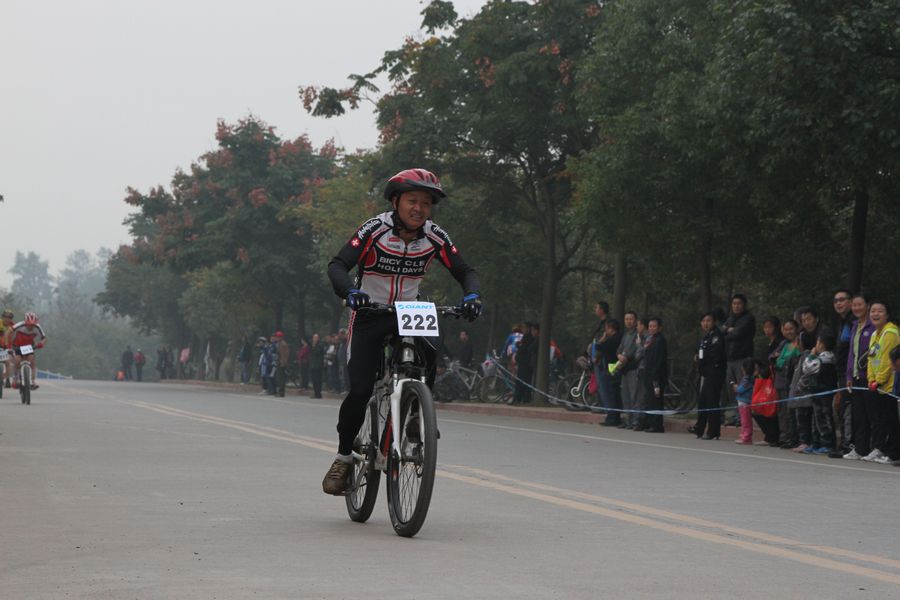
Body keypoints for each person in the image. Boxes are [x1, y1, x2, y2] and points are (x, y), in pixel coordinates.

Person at [321, 168, 482, 495]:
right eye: (412, 201)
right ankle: (343, 457)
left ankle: (416, 414)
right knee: (360, 389)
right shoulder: (374, 229)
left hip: (410, 310)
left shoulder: (435, 236)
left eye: (426, 203)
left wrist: (472, 295)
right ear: (396, 201)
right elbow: (338, 264)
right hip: (370, 311)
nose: (419, 208)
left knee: (432, 346)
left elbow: (464, 270)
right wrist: (350, 292)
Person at [862, 301, 900, 464]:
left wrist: (879, 381)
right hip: (877, 386)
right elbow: (871, 359)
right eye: (873, 311)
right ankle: (881, 449)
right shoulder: (874, 334)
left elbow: (887, 360)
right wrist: (871, 379)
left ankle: (893, 453)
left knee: (892, 420)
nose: (875, 314)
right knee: (880, 420)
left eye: (880, 311)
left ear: (887, 315)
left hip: (890, 386)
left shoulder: (890, 332)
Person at [843, 294, 876, 460]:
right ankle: (860, 449)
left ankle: (876, 448)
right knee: (859, 415)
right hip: (855, 377)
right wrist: (849, 375)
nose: (857, 308)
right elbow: (852, 353)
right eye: (854, 305)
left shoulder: (873, 325)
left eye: (860, 304)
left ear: (867, 305)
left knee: (872, 414)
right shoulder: (855, 325)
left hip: (870, 377)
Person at [690, 312, 726, 440]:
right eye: (703, 321)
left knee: (712, 401)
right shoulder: (706, 337)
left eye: (709, 321)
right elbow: (702, 352)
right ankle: (699, 427)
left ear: (714, 322)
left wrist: (702, 358)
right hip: (705, 373)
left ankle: (713, 430)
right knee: (702, 401)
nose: (706, 323)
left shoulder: (716, 336)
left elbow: (714, 354)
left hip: (714, 373)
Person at [723, 294, 756, 426]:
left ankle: (744, 418)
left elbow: (738, 334)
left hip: (743, 358)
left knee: (743, 388)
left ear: (744, 305)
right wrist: (729, 330)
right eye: (734, 303)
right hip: (729, 358)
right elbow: (722, 331)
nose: (736, 306)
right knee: (731, 388)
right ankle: (736, 416)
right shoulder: (730, 318)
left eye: (739, 303)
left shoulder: (748, 318)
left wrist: (730, 331)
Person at [831, 289, 855, 455]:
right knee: (841, 407)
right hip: (841, 371)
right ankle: (845, 442)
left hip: (850, 372)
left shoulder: (853, 321)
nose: (838, 303)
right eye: (836, 301)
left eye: (842, 300)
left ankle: (848, 444)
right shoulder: (842, 321)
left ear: (850, 301)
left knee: (847, 408)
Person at [773, 319, 802, 447]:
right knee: (782, 411)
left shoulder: (799, 343)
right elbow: (777, 360)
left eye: (791, 329)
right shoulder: (785, 344)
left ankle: (793, 437)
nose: (789, 332)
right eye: (786, 329)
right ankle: (784, 436)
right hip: (781, 380)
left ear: (796, 329)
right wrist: (781, 360)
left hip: (792, 380)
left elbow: (794, 359)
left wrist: (782, 361)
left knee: (791, 411)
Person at [639, 317, 668, 433]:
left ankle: (657, 425)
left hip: (656, 375)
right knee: (650, 399)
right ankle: (650, 422)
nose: (652, 328)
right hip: (648, 373)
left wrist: (655, 376)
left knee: (656, 400)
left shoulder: (660, 340)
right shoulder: (650, 340)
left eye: (654, 326)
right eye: (650, 326)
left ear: (659, 328)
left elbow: (659, 360)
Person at [614, 311, 642, 429]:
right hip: (624, 369)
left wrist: (627, 357)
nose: (628, 321)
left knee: (634, 395)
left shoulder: (638, 334)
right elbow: (619, 349)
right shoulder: (625, 335)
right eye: (626, 319)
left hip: (633, 368)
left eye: (631, 319)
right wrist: (619, 355)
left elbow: (637, 351)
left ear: (636, 321)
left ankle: (636, 421)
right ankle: (628, 420)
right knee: (625, 396)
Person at [595, 318, 623, 427]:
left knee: (610, 394)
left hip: (611, 368)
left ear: (611, 328)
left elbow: (598, 347)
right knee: (614, 394)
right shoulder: (620, 337)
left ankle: (612, 417)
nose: (605, 331)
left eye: (606, 329)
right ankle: (614, 417)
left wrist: (602, 339)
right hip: (616, 368)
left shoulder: (612, 340)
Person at [10, 312, 47, 390]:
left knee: (31, 362)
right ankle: (15, 378)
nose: (31, 327)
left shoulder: (37, 327)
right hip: (17, 346)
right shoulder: (19, 325)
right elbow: (8, 332)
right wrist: (8, 344)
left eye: (33, 325)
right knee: (17, 361)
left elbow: (44, 338)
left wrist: (41, 343)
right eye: (29, 325)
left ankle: (32, 381)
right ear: (25, 322)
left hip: (29, 347)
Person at [733, 358, 757, 444]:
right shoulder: (750, 378)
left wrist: (736, 387)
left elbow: (741, 389)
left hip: (745, 402)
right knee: (744, 420)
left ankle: (746, 437)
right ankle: (744, 435)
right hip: (743, 402)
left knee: (746, 421)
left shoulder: (747, 379)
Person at [513, 322, 537, 405]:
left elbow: (525, 349)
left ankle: (524, 398)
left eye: (524, 327)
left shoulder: (530, 338)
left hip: (526, 363)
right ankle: (518, 398)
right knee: (520, 381)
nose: (522, 329)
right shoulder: (524, 337)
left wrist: (520, 346)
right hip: (522, 362)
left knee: (524, 381)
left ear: (528, 328)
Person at [0, 310, 15, 387]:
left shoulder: (13, 325)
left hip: (7, 347)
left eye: (9, 318)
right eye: (5, 317)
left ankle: (8, 379)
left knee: (8, 361)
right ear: (2, 317)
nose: (7, 319)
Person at [309, 333, 325, 399]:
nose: (314, 339)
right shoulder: (313, 345)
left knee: (318, 380)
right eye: (313, 338)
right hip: (313, 365)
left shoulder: (320, 344)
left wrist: (314, 345)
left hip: (318, 365)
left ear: (318, 338)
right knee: (314, 380)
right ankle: (315, 393)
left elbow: (317, 352)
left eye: (316, 338)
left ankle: (318, 393)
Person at [275, 331, 290, 397]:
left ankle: (281, 392)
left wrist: (283, 363)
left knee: (281, 378)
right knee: (279, 377)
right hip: (280, 361)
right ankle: (280, 391)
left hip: (281, 362)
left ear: (280, 337)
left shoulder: (282, 344)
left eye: (277, 336)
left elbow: (284, 354)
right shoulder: (279, 343)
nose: (276, 338)